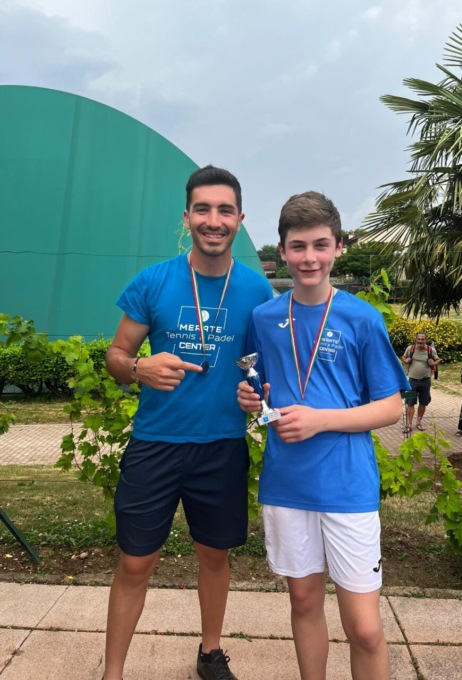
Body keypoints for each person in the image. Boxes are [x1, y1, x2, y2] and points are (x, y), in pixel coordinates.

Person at [103, 165, 274, 680]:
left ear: (240, 219)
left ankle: (210, 653)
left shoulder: (257, 291)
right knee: (135, 563)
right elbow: (115, 356)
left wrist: (256, 395)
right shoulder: (153, 281)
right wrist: (139, 368)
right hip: (155, 443)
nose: (213, 220)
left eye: (225, 210)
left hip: (221, 446)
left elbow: (262, 371)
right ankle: (113, 672)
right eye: (203, 209)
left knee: (215, 557)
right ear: (187, 217)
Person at [237, 191, 409, 680]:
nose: (308, 257)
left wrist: (321, 419)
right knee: (304, 602)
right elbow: (258, 387)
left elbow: (392, 407)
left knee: (365, 628)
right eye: (297, 246)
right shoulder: (264, 318)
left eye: (319, 245)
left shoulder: (361, 317)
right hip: (287, 483)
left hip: (347, 486)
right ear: (282, 250)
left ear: (338, 247)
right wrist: (249, 399)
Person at [401, 332, 440, 433]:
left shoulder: (430, 350)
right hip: (411, 381)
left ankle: (418, 422)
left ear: (425, 340)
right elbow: (403, 357)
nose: (420, 341)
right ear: (416, 339)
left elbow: (438, 360)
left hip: (425, 381)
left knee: (423, 403)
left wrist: (433, 363)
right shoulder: (410, 349)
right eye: (419, 339)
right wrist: (406, 360)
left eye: (422, 339)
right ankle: (408, 424)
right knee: (409, 403)